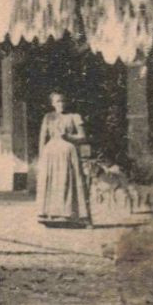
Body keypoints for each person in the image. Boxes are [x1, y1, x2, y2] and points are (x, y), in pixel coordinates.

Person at [36, 91, 91, 228]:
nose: (61, 104)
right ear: (52, 104)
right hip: (50, 154)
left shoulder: (75, 117)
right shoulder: (48, 117)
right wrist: (41, 157)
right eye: (57, 101)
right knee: (52, 183)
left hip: (68, 153)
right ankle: (51, 215)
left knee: (68, 182)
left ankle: (73, 216)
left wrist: (68, 137)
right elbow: (43, 139)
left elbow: (83, 137)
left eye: (63, 101)